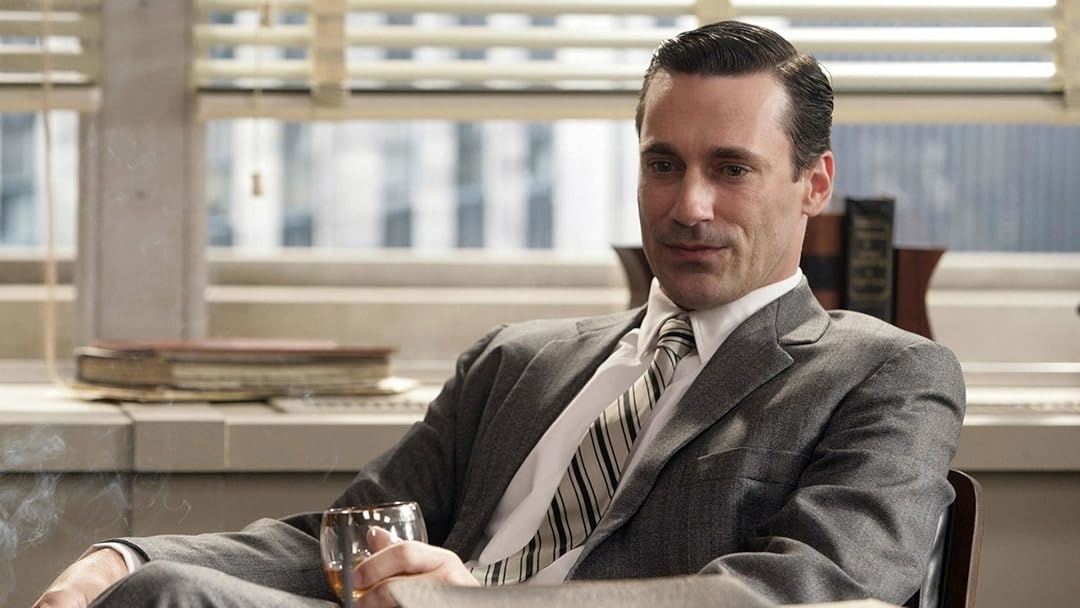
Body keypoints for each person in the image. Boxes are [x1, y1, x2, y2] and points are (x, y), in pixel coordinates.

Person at [34, 20, 964, 608]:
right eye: (662, 164)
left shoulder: (882, 373)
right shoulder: (520, 361)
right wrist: (117, 556)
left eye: (731, 168)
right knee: (153, 588)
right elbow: (352, 538)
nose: (689, 207)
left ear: (814, 184)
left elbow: (821, 593)